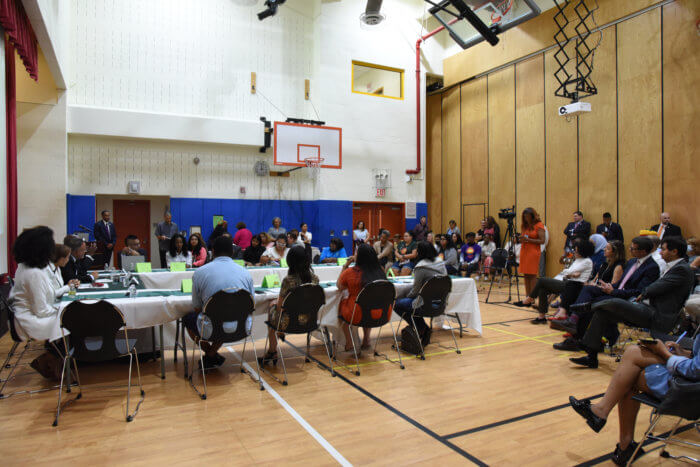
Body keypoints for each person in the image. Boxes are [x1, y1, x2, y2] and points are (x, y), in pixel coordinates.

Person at [569, 335, 700, 466]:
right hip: (691, 382)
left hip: (691, 392)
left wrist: (663, 352)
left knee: (630, 373)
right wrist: (683, 352)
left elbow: (693, 371)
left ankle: (616, 434)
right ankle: (622, 442)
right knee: (632, 358)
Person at [571, 236, 695, 369]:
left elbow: (654, 287)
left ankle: (588, 307)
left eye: (663, 249)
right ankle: (591, 356)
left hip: (656, 315)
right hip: (645, 307)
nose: (660, 252)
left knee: (615, 302)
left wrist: (645, 292)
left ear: (674, 251)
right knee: (603, 312)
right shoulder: (673, 267)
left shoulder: (682, 269)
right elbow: (653, 288)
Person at [182, 236, 255, 369]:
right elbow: (251, 306)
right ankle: (212, 354)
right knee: (226, 314)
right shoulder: (246, 273)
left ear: (213, 252)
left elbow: (198, 308)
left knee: (189, 318)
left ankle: (210, 353)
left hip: (211, 328)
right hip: (241, 327)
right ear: (232, 252)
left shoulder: (200, 272)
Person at [9, 227, 65, 379]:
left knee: (73, 318)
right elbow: (42, 310)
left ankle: (57, 358)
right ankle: (53, 360)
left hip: (28, 316)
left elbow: (48, 298)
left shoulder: (26, 267)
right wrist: (64, 311)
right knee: (74, 321)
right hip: (32, 321)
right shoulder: (34, 273)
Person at [551, 240, 627, 349]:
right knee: (575, 287)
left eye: (608, 248)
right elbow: (595, 280)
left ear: (615, 252)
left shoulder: (618, 266)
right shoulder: (605, 264)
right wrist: (589, 283)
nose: (604, 250)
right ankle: (575, 331)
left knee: (585, 305)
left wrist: (594, 286)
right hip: (596, 290)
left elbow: (613, 286)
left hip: (607, 293)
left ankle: (574, 328)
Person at [259, 245, 319, 365]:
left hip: (289, 322)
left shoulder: (288, 280)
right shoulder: (315, 279)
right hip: (308, 320)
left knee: (272, 307)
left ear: (290, 261)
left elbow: (281, 306)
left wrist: (275, 303)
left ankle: (272, 350)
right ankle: (276, 341)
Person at [515, 239, 594, 324]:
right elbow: (568, 272)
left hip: (574, 286)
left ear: (582, 251)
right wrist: (570, 274)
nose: (574, 252)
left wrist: (569, 273)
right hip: (568, 283)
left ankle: (529, 299)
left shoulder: (587, 261)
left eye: (576, 251)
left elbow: (568, 272)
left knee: (542, 280)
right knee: (543, 288)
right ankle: (541, 317)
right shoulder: (578, 260)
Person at [394, 241, 447, 346]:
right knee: (411, 304)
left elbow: (415, 291)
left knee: (397, 304)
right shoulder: (440, 262)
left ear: (420, 253)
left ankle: (422, 328)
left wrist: (405, 296)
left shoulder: (421, 267)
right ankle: (422, 329)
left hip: (424, 304)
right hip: (440, 303)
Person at [337, 244, 387, 352]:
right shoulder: (380, 270)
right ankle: (366, 340)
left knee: (341, 307)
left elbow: (339, 286)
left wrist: (345, 266)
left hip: (357, 314)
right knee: (368, 303)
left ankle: (349, 343)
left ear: (358, 257)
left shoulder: (351, 272)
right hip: (380, 313)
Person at [518, 207, 546, 297]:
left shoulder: (539, 225)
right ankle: (527, 295)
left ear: (532, 216)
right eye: (525, 216)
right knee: (526, 274)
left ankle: (532, 297)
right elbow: (524, 237)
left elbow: (542, 240)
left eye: (527, 216)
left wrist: (528, 240)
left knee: (532, 275)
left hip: (533, 252)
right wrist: (520, 239)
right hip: (524, 251)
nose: (526, 218)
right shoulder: (524, 226)